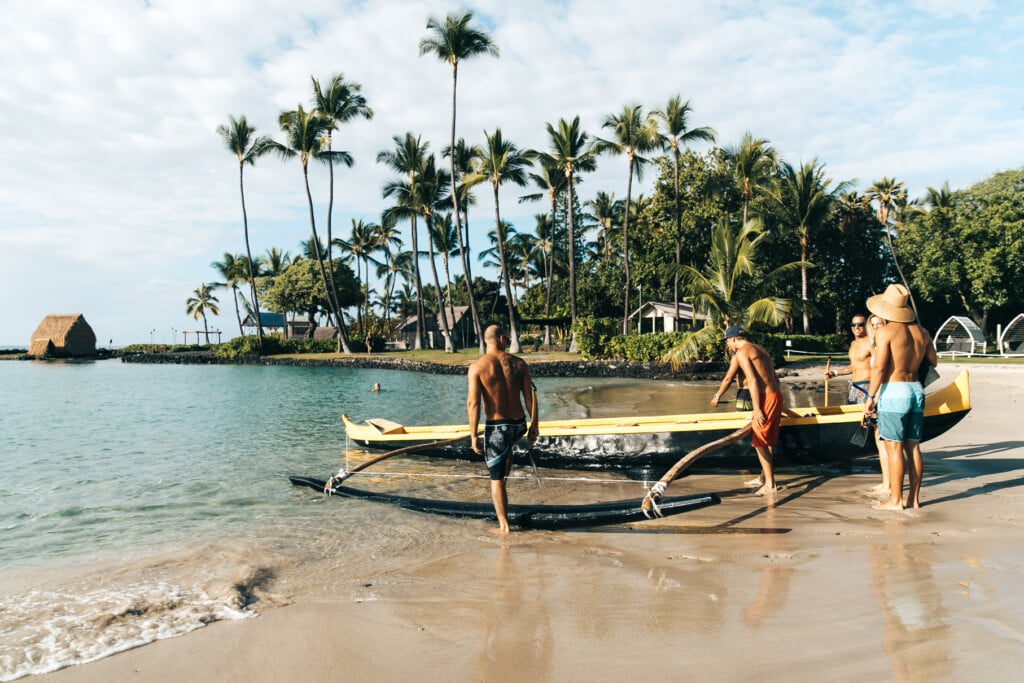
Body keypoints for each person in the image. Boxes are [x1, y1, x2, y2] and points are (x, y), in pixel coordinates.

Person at [863, 284, 938, 510]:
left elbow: (879, 369)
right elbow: (933, 361)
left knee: (893, 448)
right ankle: (913, 499)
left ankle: (895, 500)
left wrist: (870, 397)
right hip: (916, 390)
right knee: (913, 447)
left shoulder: (885, 332)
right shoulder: (922, 332)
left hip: (893, 391)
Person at [467, 324, 540, 533]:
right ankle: (504, 493)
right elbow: (530, 398)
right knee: (506, 454)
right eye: (506, 337)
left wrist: (473, 436)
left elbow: (473, 404)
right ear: (500, 339)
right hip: (518, 424)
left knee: (495, 479)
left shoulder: (478, 367)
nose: (507, 339)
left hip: (497, 428)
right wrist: (534, 426)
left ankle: (504, 526)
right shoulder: (519, 364)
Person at [714, 326, 784, 495]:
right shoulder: (760, 349)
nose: (728, 346)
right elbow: (774, 377)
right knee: (768, 441)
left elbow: (752, 380)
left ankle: (770, 485)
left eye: (727, 342)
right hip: (776, 395)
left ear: (733, 339)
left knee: (759, 441)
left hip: (765, 399)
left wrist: (757, 408)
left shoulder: (742, 352)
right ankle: (763, 478)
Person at [826, 314, 889, 492]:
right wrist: (835, 373)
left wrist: (874, 393)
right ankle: (847, 460)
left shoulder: (872, 342)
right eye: (853, 324)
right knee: (851, 424)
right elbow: (854, 367)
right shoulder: (853, 345)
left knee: (871, 425)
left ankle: (882, 462)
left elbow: (879, 366)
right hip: (854, 388)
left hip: (867, 388)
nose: (856, 327)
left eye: (860, 324)